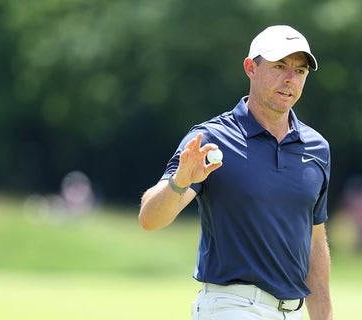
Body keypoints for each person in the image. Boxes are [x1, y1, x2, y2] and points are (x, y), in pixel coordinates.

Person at [138, 25, 332, 320]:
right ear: (250, 68)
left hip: (292, 311)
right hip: (232, 307)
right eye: (280, 66)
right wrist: (180, 182)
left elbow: (315, 241)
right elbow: (150, 219)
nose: (290, 79)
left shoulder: (316, 148)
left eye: (300, 71)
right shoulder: (211, 138)